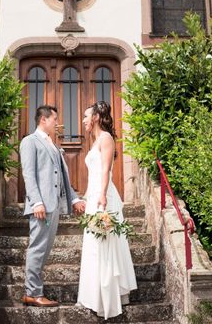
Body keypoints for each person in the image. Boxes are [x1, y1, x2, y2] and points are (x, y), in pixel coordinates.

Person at [20, 105, 86, 307]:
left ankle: (35, 290)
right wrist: (36, 201)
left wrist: (74, 199)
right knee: (37, 248)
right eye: (55, 119)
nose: (57, 123)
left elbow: (63, 176)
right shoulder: (29, 142)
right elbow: (28, 174)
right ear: (43, 120)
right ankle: (33, 293)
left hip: (54, 205)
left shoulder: (54, 145)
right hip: (41, 206)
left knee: (45, 249)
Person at [77, 101, 137, 319]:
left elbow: (105, 171)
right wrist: (88, 196)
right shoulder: (96, 141)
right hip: (94, 196)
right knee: (95, 245)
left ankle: (107, 299)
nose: (83, 120)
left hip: (103, 198)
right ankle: (95, 296)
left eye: (85, 116)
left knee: (103, 244)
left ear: (95, 117)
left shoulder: (106, 139)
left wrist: (101, 195)